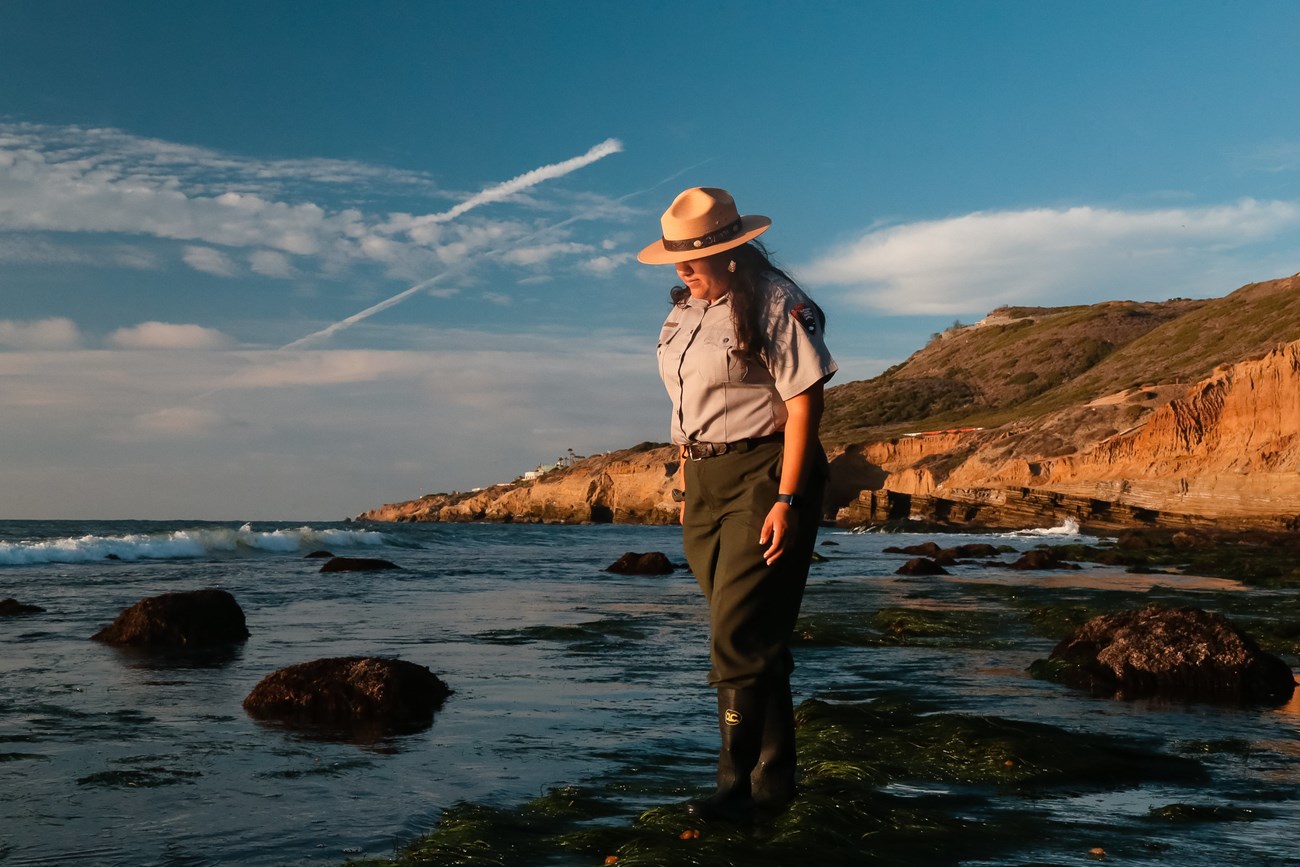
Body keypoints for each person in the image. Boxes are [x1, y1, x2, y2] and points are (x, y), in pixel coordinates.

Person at [637, 187, 837, 822]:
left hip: (766, 471)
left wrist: (788, 497)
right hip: (704, 482)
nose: (683, 271)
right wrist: (685, 484)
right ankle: (774, 785)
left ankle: (731, 787)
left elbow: (805, 403)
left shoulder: (777, 301)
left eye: (694, 259)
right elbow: (687, 408)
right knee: (754, 637)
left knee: (736, 633)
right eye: (677, 260)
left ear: (731, 251)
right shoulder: (682, 313)